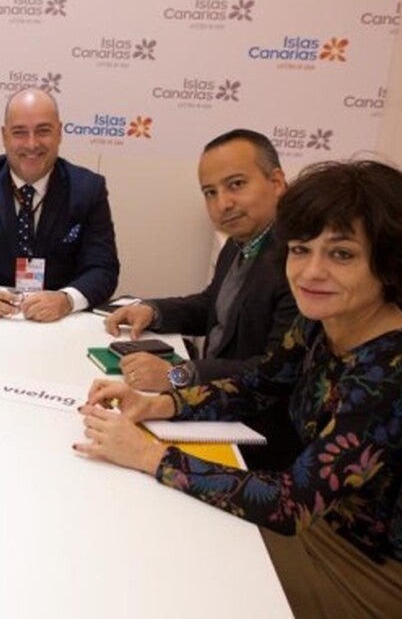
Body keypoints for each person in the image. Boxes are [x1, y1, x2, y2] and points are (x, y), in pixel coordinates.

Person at [76, 160, 402, 618]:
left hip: (376, 577)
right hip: (322, 530)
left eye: (341, 254)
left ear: (389, 263)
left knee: (173, 571)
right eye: (300, 250)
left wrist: (148, 455)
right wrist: (158, 405)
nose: (310, 272)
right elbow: (259, 385)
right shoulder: (323, 319)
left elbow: (291, 503)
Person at [103, 128, 298, 468]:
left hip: (256, 438)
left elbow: (273, 372)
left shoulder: (300, 262)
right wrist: (152, 311)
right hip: (213, 409)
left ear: (277, 182)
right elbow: (213, 305)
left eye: (236, 184)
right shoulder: (242, 243)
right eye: (211, 192)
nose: (223, 203)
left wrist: (179, 374)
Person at [0, 87, 119, 322]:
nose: (31, 144)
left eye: (43, 131)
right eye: (19, 132)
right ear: (4, 135)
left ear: (60, 133)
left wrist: (67, 300)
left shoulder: (88, 188)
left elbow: (103, 269)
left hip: (58, 323)